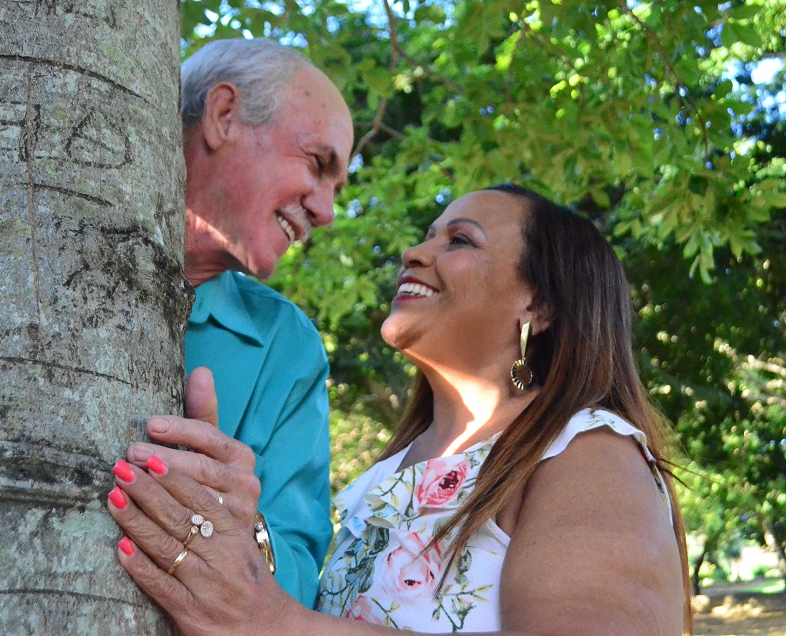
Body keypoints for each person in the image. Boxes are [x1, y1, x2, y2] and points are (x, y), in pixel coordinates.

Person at [106, 185, 692, 635]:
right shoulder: (380, 481)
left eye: (458, 241)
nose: (414, 252)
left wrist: (274, 621)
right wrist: (239, 536)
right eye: (427, 234)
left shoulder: (588, 455)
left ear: (537, 304)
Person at [120, 38, 353, 607]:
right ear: (223, 116)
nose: (326, 211)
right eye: (318, 164)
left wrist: (243, 527)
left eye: (336, 189)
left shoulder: (290, 346)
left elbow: (300, 581)